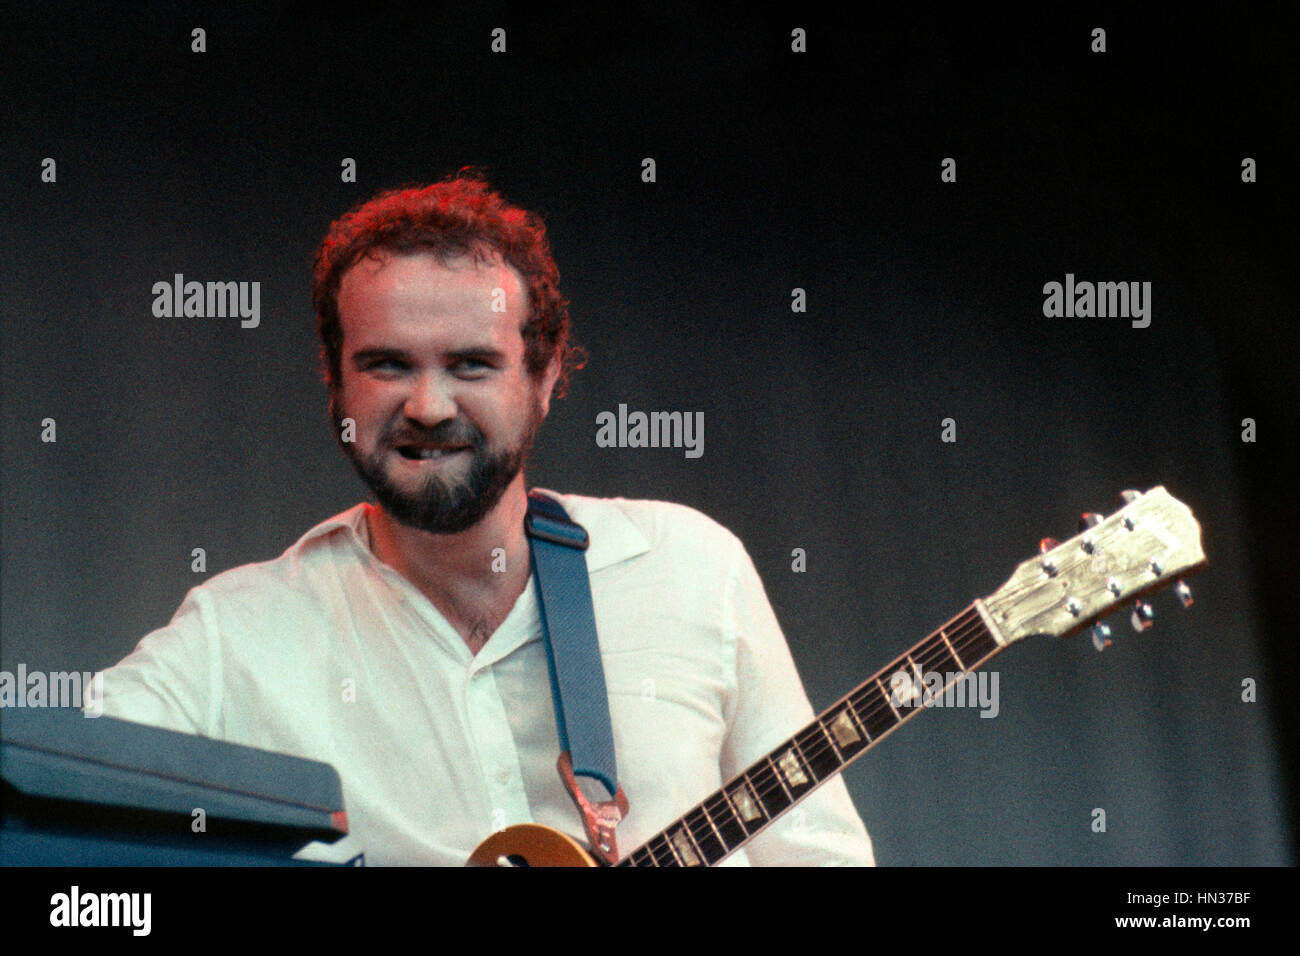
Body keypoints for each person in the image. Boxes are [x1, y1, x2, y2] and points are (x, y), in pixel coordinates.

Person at [96, 171, 875, 866]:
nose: (429, 407)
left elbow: (821, 858)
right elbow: (47, 796)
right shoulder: (235, 638)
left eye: (471, 364)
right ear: (334, 382)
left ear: (545, 375)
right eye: (387, 364)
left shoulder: (693, 567)